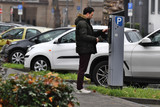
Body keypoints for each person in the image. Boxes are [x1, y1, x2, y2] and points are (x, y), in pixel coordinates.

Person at [75, 6, 108, 93]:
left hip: (85, 48)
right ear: (87, 14)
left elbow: (91, 33)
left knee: (82, 68)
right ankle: (79, 88)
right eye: (92, 15)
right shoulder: (82, 23)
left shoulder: (85, 22)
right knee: (82, 69)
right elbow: (83, 36)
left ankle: (79, 87)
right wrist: (95, 39)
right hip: (84, 49)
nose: (92, 16)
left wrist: (101, 32)